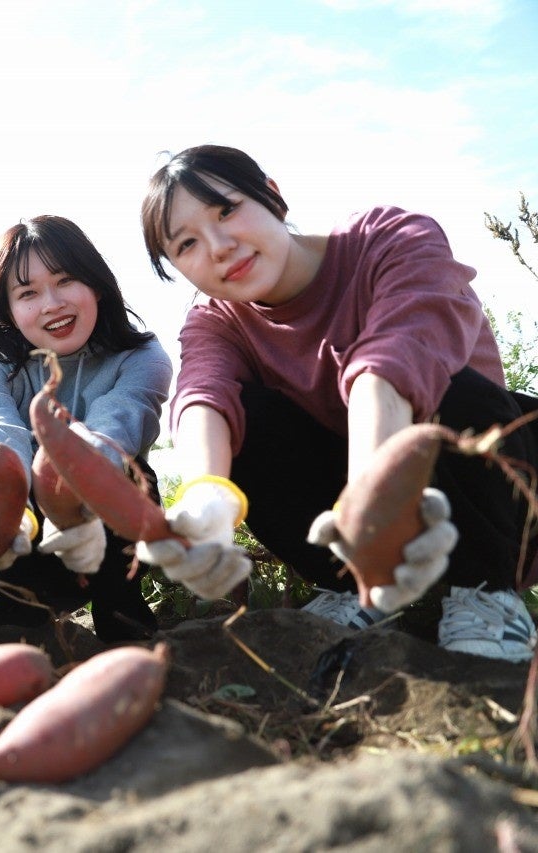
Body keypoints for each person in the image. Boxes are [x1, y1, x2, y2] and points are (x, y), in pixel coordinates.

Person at [135, 143, 538, 662]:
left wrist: (369, 504)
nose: (217, 246)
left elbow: (391, 363)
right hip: (355, 514)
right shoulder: (217, 321)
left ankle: (489, 594)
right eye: (186, 244)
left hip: (497, 484)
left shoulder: (389, 239)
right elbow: (202, 395)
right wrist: (205, 500)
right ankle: (355, 589)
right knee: (246, 419)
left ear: (273, 197)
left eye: (227, 209)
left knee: (444, 387)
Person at [0, 215, 173, 643]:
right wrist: (9, 517)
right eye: (27, 292)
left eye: (65, 280)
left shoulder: (141, 355)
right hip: (22, 530)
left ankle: (120, 608)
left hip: (104, 518)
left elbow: (118, 425)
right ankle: (18, 607)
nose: (52, 303)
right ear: (8, 311)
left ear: (97, 285)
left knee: (125, 472)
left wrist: (71, 502)